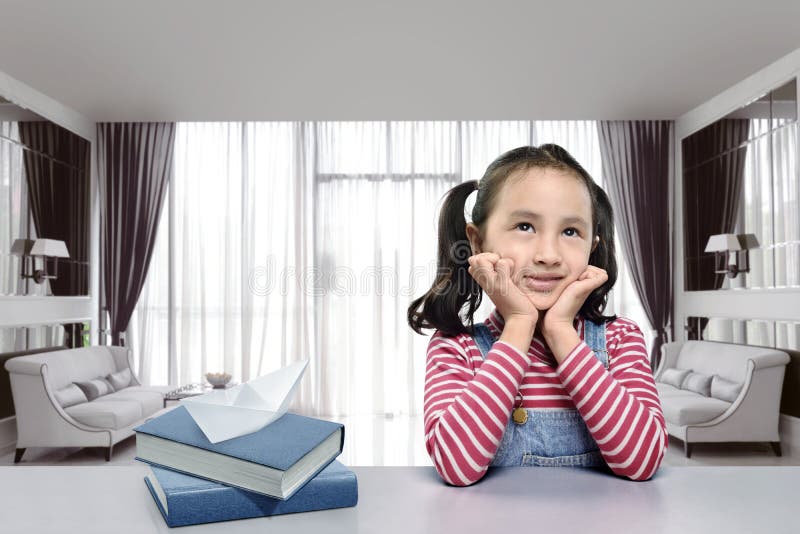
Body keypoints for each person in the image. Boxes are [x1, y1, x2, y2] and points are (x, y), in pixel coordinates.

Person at [407, 144, 667, 485]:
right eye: (525, 226)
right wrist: (518, 323)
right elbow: (457, 468)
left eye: (571, 232)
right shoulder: (456, 348)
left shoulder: (620, 340)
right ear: (477, 241)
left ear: (593, 247)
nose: (548, 254)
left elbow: (642, 461)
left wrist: (561, 330)